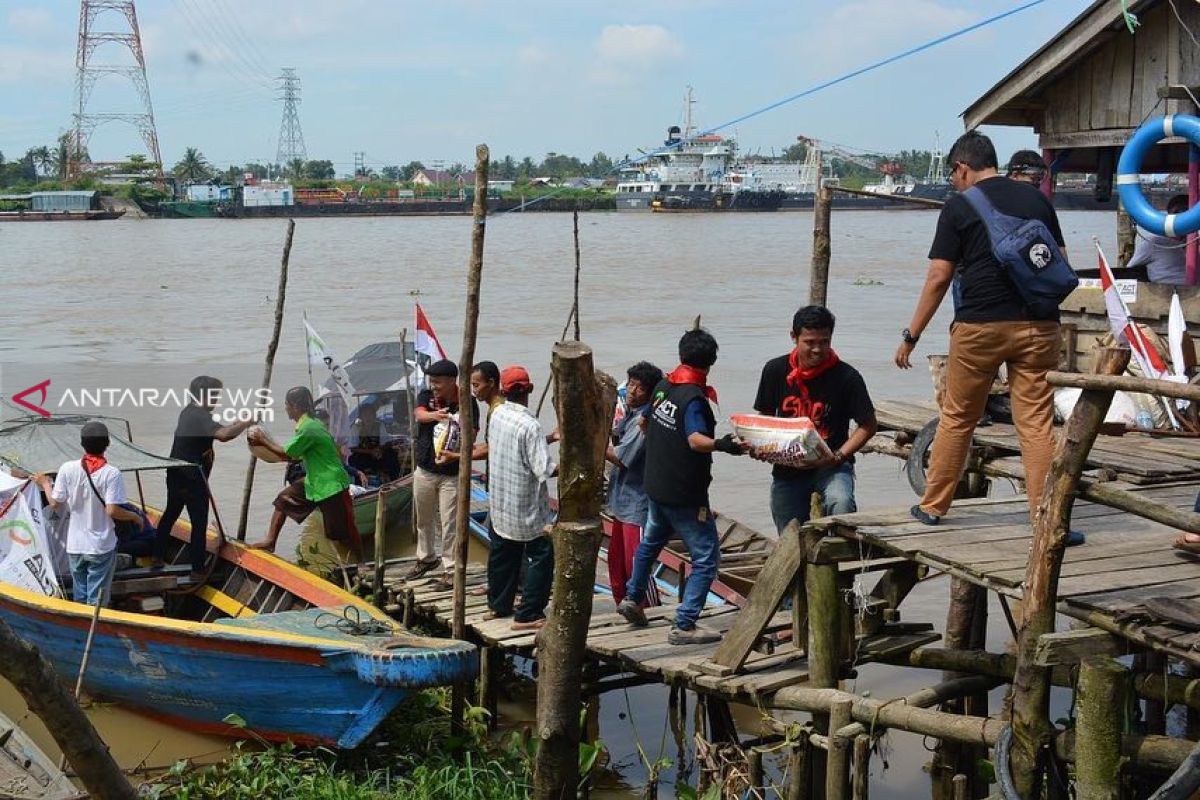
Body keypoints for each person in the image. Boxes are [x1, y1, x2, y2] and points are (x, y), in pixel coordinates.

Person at [895, 130, 1074, 537]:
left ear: (962, 168)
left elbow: (940, 276)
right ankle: (1045, 517)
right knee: (1036, 423)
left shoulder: (959, 206)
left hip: (981, 328)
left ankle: (934, 505)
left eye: (953, 175)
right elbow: (1060, 261)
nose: (954, 183)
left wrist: (912, 334)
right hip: (1040, 325)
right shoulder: (1037, 200)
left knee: (959, 417)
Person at [617, 329, 747, 645]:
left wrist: (664, 447)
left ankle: (632, 597)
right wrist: (724, 444)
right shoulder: (693, 399)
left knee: (652, 541)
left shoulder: (663, 386)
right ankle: (685, 624)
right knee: (706, 557)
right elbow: (695, 440)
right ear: (711, 362)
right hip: (684, 493)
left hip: (656, 485)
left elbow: (645, 422)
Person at [753, 305, 877, 532]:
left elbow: (868, 425)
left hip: (833, 465)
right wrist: (762, 447)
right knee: (789, 533)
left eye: (824, 342)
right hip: (788, 468)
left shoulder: (847, 377)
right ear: (794, 337)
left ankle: (837, 558)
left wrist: (840, 455)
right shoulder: (774, 370)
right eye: (810, 342)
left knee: (841, 504)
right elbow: (765, 420)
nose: (818, 349)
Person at [154, 375, 253, 580]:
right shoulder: (200, 415)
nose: (217, 400)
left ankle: (157, 556)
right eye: (214, 395)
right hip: (192, 477)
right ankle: (197, 569)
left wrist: (237, 424)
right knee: (198, 523)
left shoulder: (189, 412)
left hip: (176, 472)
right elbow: (224, 435)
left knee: (171, 514)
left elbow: (220, 429)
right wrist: (247, 422)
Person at [36, 421, 143, 606]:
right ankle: (94, 628)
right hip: (101, 546)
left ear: (82, 444)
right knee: (97, 600)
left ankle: (81, 627)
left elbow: (54, 503)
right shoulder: (112, 473)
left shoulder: (67, 468)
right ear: (108, 444)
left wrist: (45, 484)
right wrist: (134, 516)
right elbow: (112, 510)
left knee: (80, 596)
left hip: (75, 546)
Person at [247, 387, 361, 557]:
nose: (285, 408)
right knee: (283, 500)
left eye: (286, 404)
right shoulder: (307, 424)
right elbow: (294, 456)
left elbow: (287, 452)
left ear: (294, 406)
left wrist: (262, 440)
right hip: (315, 481)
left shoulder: (308, 427)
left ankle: (360, 564)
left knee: (343, 533)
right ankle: (271, 541)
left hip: (331, 484)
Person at [485, 366, 557, 631]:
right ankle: (529, 614)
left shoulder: (497, 414)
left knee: (503, 552)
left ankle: (498, 604)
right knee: (542, 555)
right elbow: (544, 469)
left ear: (502, 390)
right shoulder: (530, 424)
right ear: (529, 391)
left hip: (501, 501)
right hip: (525, 505)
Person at [405, 359, 478, 587]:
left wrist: (455, 427)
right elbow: (419, 415)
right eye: (431, 381)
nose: (433, 385)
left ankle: (450, 568)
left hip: (452, 473)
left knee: (450, 523)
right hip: (425, 469)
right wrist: (437, 416)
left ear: (451, 381)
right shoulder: (426, 397)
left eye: (437, 381)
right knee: (423, 519)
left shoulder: (467, 402)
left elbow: (473, 433)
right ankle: (426, 558)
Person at [605, 361, 663, 606]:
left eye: (639, 388)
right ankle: (624, 607)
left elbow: (620, 458)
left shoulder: (644, 422)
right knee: (616, 562)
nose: (631, 391)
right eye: (630, 384)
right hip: (620, 502)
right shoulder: (628, 413)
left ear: (649, 394)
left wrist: (593, 441)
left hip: (636, 505)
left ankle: (649, 610)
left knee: (636, 565)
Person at [1127, 194, 1190, 285]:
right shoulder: (1154, 243)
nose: (1182, 217)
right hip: (1167, 295)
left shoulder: (1195, 242)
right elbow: (1128, 270)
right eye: (1177, 213)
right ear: (1169, 217)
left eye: (1187, 213)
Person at [348, 397, 401, 480]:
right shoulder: (356, 428)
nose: (368, 417)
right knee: (354, 460)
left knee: (391, 454)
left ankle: (394, 479)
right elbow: (352, 448)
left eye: (370, 414)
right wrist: (370, 451)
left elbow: (385, 443)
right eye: (365, 414)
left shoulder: (380, 425)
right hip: (363, 454)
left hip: (378, 453)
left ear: (375, 415)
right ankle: (361, 482)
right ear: (361, 416)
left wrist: (379, 449)